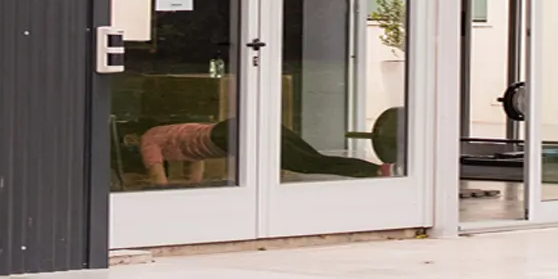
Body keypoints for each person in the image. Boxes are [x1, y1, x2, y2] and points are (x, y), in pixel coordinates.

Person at [140, 119, 381, 186]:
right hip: (234, 126)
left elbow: (158, 180)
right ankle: (377, 170)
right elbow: (196, 163)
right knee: (315, 159)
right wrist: (194, 185)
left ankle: (375, 172)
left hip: (227, 136)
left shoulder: (147, 141)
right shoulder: (164, 132)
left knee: (307, 165)